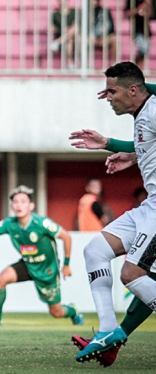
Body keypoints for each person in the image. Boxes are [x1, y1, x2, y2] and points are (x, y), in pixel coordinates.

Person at [67, 61, 156, 364]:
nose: (108, 98)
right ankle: (108, 331)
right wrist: (115, 146)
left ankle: (113, 335)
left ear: (134, 90)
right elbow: (147, 144)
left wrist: (147, 88)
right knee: (95, 250)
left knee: (133, 274)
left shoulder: (153, 108)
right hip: (149, 208)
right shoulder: (143, 113)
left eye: (112, 91)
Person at [0, 185, 83, 328]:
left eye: (23, 201)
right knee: (1, 279)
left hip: (47, 270)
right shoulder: (10, 224)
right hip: (27, 264)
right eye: (15, 202)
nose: (18, 205)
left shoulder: (42, 223)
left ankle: (73, 311)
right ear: (11, 206)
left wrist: (66, 264)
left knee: (56, 312)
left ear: (31, 205)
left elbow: (66, 237)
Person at [49, 0, 79, 69]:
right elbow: (52, 27)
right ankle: (70, 63)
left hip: (76, 37)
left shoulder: (74, 12)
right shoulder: (55, 15)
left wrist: (69, 29)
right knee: (69, 40)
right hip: (65, 37)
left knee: (74, 28)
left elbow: (77, 25)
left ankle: (57, 42)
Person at [124, 0, 152, 69]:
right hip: (136, 29)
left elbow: (151, 14)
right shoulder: (131, 1)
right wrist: (138, 10)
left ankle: (139, 68)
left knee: (145, 50)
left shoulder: (147, 1)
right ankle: (135, 66)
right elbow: (127, 14)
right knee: (143, 49)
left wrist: (148, 5)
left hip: (146, 29)